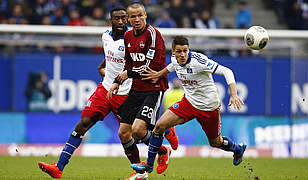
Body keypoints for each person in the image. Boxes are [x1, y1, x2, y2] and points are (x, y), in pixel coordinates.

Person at [37, 6, 132, 178]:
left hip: (125, 93)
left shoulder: (132, 39)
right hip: (105, 89)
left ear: (127, 20)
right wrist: (103, 66)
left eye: (123, 18)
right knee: (83, 124)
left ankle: (158, 151)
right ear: (111, 20)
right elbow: (112, 54)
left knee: (134, 134)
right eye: (116, 18)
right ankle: (58, 168)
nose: (120, 22)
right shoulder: (105, 36)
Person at [131, 36, 247, 173]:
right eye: (179, 51)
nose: (182, 55)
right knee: (159, 126)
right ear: (173, 52)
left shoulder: (199, 61)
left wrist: (233, 94)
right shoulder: (174, 59)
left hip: (208, 108)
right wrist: (159, 74)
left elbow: (227, 71)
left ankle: (237, 149)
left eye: (185, 51)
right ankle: (149, 164)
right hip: (189, 102)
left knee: (215, 142)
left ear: (188, 49)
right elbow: (172, 66)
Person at [107, 2, 178, 179]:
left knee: (138, 130)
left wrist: (127, 73)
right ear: (128, 19)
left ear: (146, 15)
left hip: (153, 88)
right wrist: (117, 82)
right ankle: (141, 169)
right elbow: (129, 63)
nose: (137, 19)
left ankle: (162, 151)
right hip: (136, 88)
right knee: (123, 133)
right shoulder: (128, 36)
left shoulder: (153, 34)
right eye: (133, 16)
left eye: (140, 15)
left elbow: (150, 66)